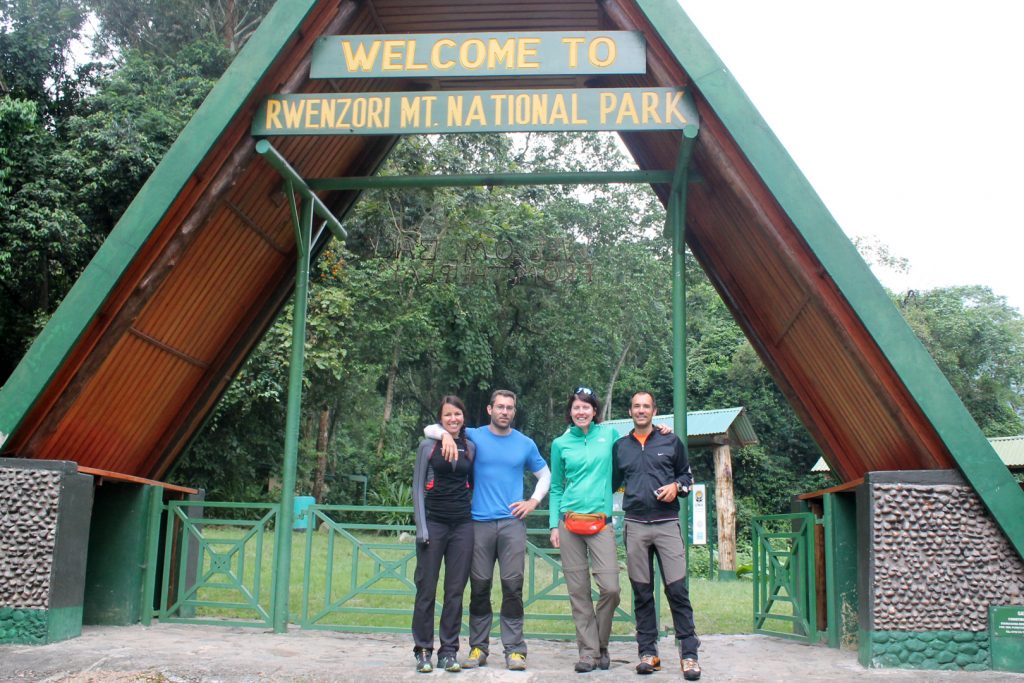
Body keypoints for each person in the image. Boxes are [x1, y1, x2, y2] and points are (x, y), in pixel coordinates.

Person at [425, 389, 550, 671]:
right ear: (489, 409)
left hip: (512, 524)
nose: (505, 412)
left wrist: (533, 501)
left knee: (512, 586)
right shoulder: (474, 436)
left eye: (509, 408)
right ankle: (478, 647)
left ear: (514, 412)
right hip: (478, 523)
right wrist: (444, 435)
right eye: (500, 407)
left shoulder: (525, 444)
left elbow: (545, 475)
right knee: (479, 586)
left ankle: (515, 649)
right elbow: (432, 427)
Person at [612, 391, 702, 681]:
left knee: (677, 590)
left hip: (667, 524)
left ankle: (689, 654)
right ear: (630, 411)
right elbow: (611, 484)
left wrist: (676, 487)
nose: (641, 410)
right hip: (635, 526)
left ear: (655, 411)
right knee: (641, 592)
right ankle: (648, 653)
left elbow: (687, 478)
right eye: (636, 406)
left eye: (646, 406)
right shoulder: (620, 447)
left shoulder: (671, 441)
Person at [548, 386, 621, 673]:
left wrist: (661, 430)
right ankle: (589, 653)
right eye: (576, 407)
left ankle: (600, 644)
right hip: (569, 523)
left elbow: (627, 458)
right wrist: (554, 524)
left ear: (594, 411)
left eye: (586, 407)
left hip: (601, 523)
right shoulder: (560, 443)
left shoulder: (610, 436)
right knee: (578, 591)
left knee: (611, 589)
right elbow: (555, 487)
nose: (581, 412)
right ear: (570, 411)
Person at [411, 396, 475, 673]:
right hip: (433, 525)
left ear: (463, 416)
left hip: (462, 526)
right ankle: (423, 649)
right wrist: (422, 528)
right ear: (440, 418)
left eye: (457, 414)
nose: (453, 419)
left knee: (455, 592)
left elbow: (472, 484)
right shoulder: (428, 446)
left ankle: (449, 651)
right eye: (447, 415)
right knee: (426, 589)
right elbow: (416, 490)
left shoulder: (470, 447)